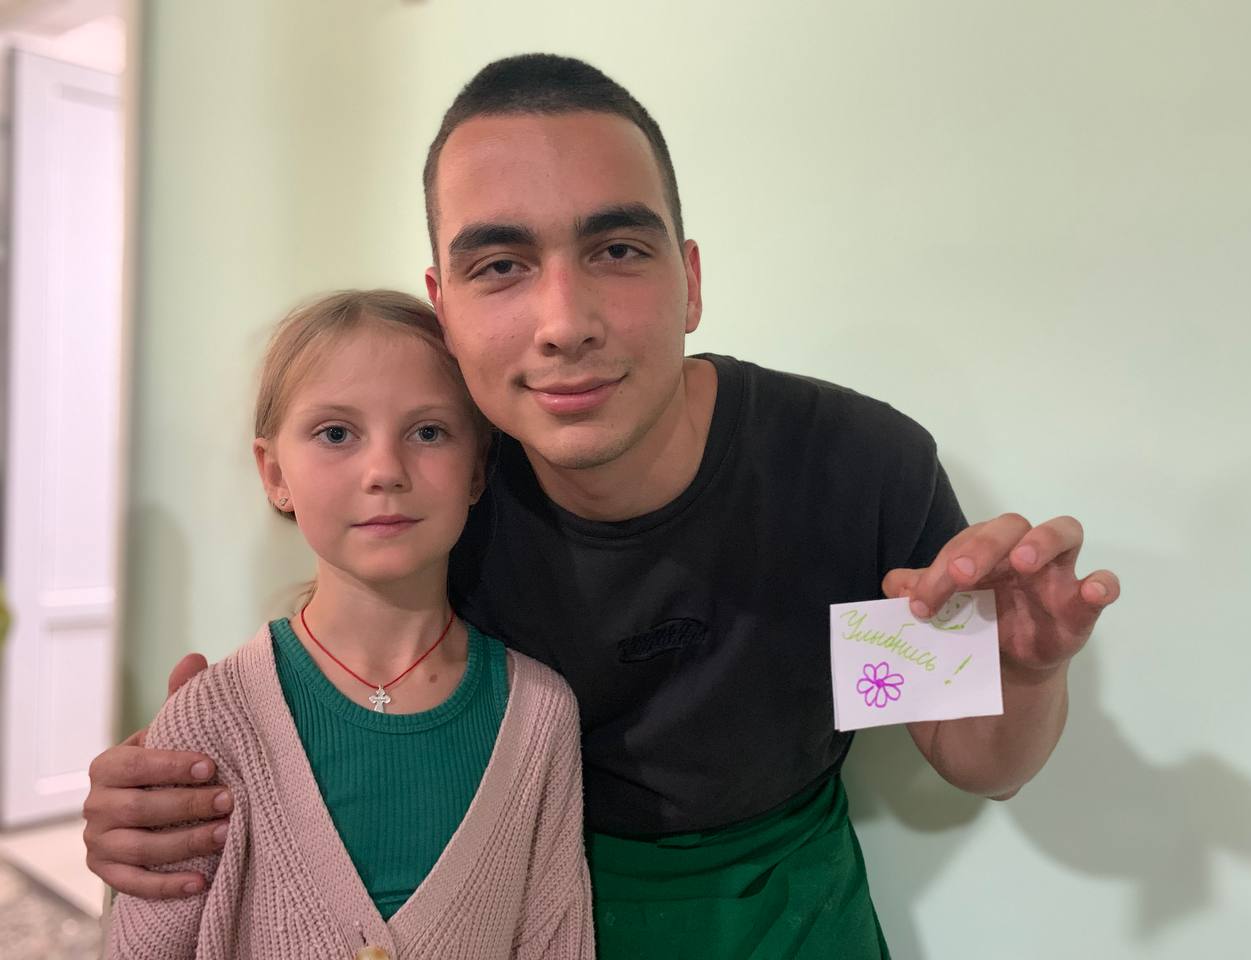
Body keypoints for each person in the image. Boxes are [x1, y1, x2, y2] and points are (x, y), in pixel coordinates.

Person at [85, 56, 1119, 958]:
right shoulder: (441, 498)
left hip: (794, 921)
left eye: (617, 250)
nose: (564, 321)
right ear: (445, 309)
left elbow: (977, 761)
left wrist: (1026, 675)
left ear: (689, 281)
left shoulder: (851, 467)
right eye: (501, 266)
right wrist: (169, 806)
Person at [104, 290, 593, 959]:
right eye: (336, 434)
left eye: (428, 432)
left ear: (477, 470)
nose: (385, 471)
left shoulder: (540, 716)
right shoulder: (208, 720)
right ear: (275, 473)